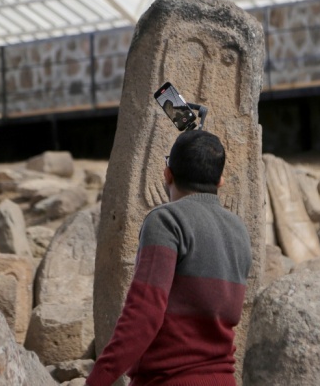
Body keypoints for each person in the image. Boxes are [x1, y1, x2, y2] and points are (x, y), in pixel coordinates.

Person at [86, 130, 252, 386]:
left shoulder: (166, 221)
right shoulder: (238, 229)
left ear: (167, 174)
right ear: (220, 180)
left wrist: (97, 380)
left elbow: (144, 313)